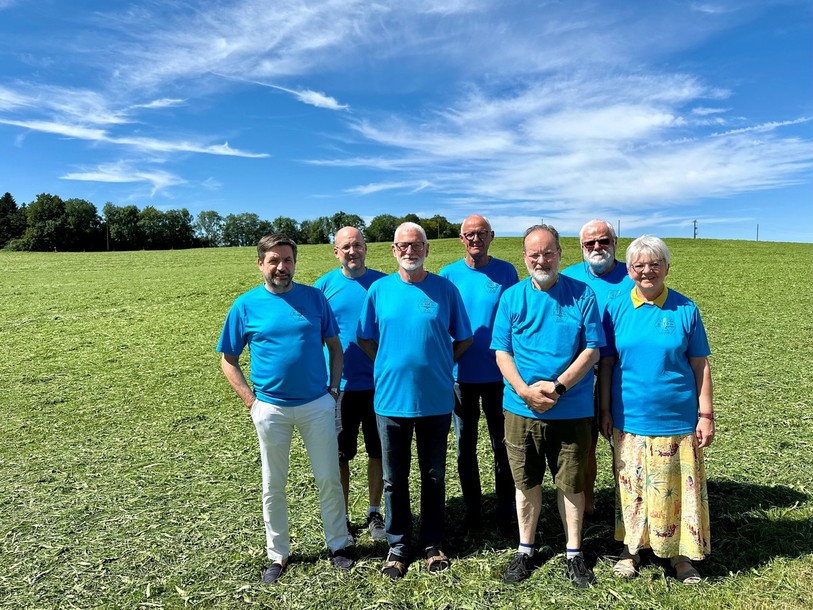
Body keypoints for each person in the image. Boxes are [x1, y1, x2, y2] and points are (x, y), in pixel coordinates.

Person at [217, 233, 354, 584]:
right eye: (274, 260)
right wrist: (252, 401)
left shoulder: (314, 298)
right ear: (261, 263)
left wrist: (333, 391)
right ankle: (278, 554)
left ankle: (338, 544)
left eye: (288, 260)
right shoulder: (245, 305)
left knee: (327, 478)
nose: (282, 266)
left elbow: (335, 349)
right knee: (273, 483)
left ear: (295, 262)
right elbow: (228, 360)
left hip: (316, 405)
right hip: (271, 409)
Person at [357, 222, 473, 580]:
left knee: (434, 476)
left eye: (417, 245)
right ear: (393, 250)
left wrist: (439, 363)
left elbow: (464, 338)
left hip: (436, 402)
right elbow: (365, 339)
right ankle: (398, 546)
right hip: (390, 402)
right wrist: (390, 364)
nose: (410, 251)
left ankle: (432, 543)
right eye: (403, 245)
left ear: (427, 249)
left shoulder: (445, 290)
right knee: (394, 478)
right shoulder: (378, 291)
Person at [491, 224, 604, 588]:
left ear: (560, 253)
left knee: (571, 483)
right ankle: (525, 549)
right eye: (534, 254)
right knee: (525, 482)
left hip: (570, 408)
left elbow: (592, 349)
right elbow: (502, 351)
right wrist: (525, 391)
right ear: (524, 258)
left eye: (548, 252)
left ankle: (574, 553)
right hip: (521, 409)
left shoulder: (582, 294)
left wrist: (557, 386)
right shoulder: (512, 298)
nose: (542, 260)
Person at [598, 235, 714, 585]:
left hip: (677, 419)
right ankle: (630, 551)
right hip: (629, 417)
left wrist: (705, 414)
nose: (647, 270)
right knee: (631, 488)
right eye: (639, 264)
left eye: (654, 263)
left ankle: (680, 555)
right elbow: (606, 365)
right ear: (630, 269)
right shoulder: (615, 308)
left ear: (667, 267)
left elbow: (700, 365)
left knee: (678, 490)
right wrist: (603, 409)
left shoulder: (685, 309)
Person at [439, 214, 519, 534]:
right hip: (461, 377)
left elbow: (516, 318)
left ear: (491, 236)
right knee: (465, 446)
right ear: (461, 239)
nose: (475, 239)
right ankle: (472, 509)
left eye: (481, 233)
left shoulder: (506, 272)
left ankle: (505, 508)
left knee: (504, 444)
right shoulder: (448, 275)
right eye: (470, 234)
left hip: (500, 376)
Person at [314, 226, 387, 540]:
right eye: (345, 247)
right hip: (339, 388)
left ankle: (374, 513)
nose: (352, 252)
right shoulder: (323, 288)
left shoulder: (385, 283)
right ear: (336, 252)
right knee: (340, 455)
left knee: (378, 451)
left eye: (357, 245)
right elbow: (311, 336)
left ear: (365, 248)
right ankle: (342, 516)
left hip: (381, 385)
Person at [561, 219, 634, 517]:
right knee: (585, 445)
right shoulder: (568, 278)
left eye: (603, 241)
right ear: (581, 248)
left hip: (623, 373)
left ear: (615, 242)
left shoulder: (633, 277)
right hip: (583, 375)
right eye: (590, 244)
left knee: (627, 445)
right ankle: (588, 505)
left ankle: (629, 507)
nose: (597, 247)